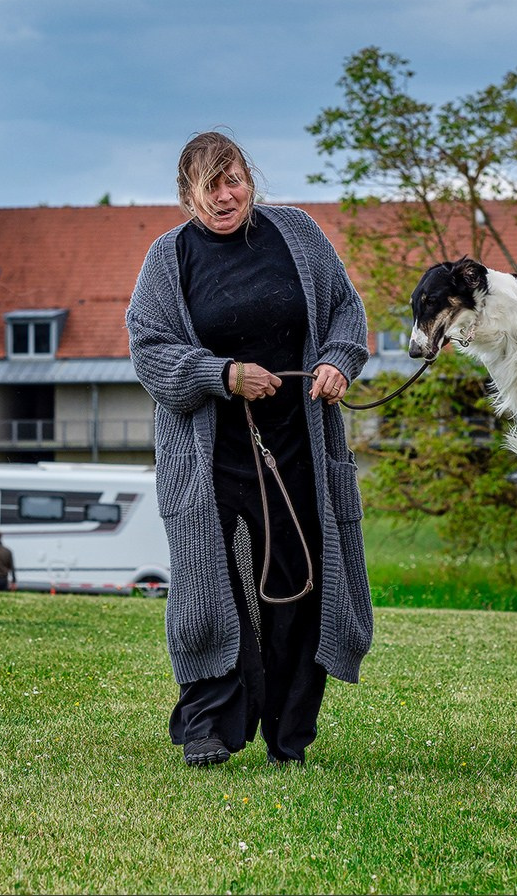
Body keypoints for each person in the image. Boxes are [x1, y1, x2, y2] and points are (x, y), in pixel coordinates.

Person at [126, 130, 373, 769]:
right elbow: (148, 351)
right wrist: (222, 375)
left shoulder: (298, 235)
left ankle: (290, 735)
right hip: (210, 461)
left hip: (300, 450)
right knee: (212, 592)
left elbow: (346, 310)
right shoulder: (168, 259)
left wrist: (337, 361)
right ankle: (209, 725)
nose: (225, 194)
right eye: (209, 185)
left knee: (298, 587)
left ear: (250, 180)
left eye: (232, 178)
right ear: (187, 196)